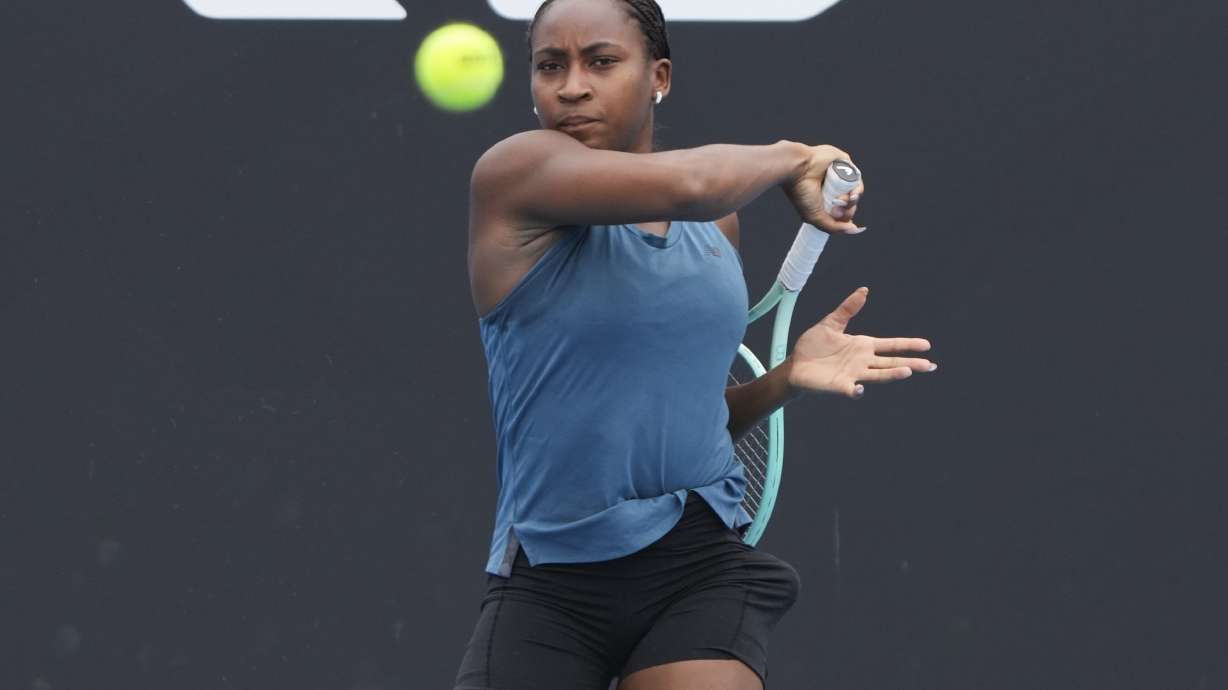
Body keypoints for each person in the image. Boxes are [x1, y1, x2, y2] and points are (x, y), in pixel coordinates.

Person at [456, 1, 936, 688]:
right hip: (550, 580)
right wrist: (796, 156)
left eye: (600, 61)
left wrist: (785, 380)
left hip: (695, 567)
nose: (570, 87)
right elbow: (692, 182)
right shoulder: (516, 172)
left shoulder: (717, 232)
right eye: (548, 66)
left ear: (660, 76)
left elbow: (690, 415)